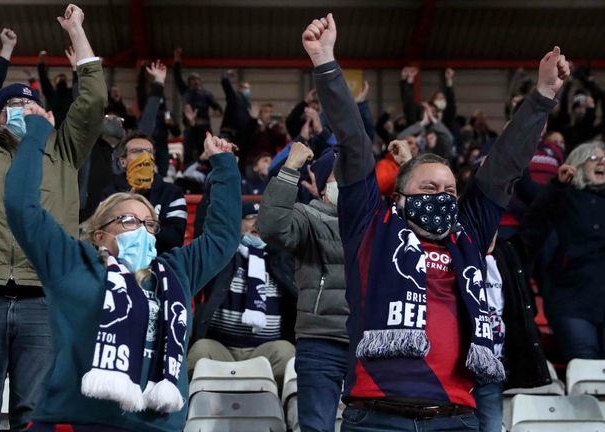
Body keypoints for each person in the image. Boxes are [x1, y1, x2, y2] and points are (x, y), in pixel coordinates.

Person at [302, 13, 568, 431]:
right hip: (376, 418)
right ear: (401, 196)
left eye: (449, 191)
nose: (442, 197)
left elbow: (503, 167)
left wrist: (542, 97)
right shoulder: (371, 224)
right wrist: (326, 64)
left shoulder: (469, 234)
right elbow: (353, 145)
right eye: (430, 189)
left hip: (456, 418)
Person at [4, 105, 241, 431]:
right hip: (81, 422)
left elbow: (222, 238)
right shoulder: (74, 263)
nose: (141, 230)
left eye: (149, 224)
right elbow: (22, 208)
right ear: (99, 233)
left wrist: (224, 166)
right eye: (128, 220)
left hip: (158, 425)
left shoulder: (175, 272)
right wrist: (35, 137)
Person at [0, 5, 107, 430]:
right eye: (10, 105)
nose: (21, 109)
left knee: (35, 414)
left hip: (43, 296)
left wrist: (78, 33)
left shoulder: (64, 150)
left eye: (29, 104)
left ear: (43, 116)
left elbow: (94, 100)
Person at [258, 144, 350, 432]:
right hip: (321, 339)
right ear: (323, 187)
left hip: (370, 341)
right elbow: (272, 227)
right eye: (339, 177)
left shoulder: (376, 221)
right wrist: (290, 168)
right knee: (316, 427)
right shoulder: (307, 217)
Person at [189, 202, 296, 387]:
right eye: (250, 218)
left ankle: (283, 412)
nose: (257, 224)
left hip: (266, 351)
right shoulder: (222, 256)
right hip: (221, 349)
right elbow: (204, 229)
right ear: (236, 224)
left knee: (287, 353)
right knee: (200, 351)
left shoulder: (281, 260)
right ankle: (186, 413)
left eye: (263, 220)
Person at [516, 143, 605, 361]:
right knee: (586, 367)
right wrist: (558, 185)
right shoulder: (562, 197)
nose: (602, 162)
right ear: (576, 165)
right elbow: (534, 221)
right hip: (570, 302)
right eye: (594, 157)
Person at [473, 234, 551, 432]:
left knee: (491, 426)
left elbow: (520, 308)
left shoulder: (506, 254)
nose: (489, 232)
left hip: (493, 366)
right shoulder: (458, 253)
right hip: (462, 363)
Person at [101, 131, 187, 254]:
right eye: (137, 151)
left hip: (159, 263)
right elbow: (104, 234)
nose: (145, 156)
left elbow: (175, 239)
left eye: (149, 152)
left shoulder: (172, 193)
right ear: (122, 161)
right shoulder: (108, 194)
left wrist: (134, 224)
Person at [173, 47, 223, 165]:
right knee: (189, 154)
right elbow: (177, 76)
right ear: (189, 81)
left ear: (200, 81)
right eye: (192, 79)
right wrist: (176, 61)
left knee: (207, 153)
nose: (195, 81)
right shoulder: (185, 91)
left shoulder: (206, 94)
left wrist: (217, 112)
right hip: (190, 127)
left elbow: (217, 107)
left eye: (197, 79)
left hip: (204, 127)